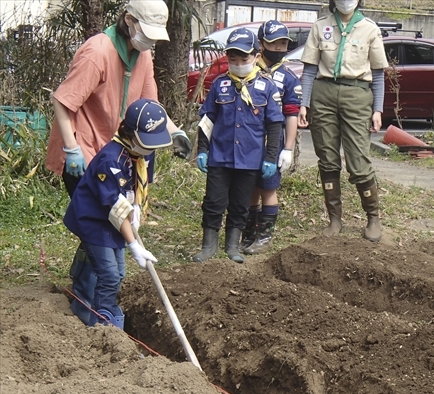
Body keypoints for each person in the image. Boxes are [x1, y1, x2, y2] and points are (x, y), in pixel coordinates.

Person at [46, 0, 191, 309]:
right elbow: (62, 101)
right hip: (83, 147)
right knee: (100, 221)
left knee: (107, 226)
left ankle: (87, 286)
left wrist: (175, 131)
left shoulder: (144, 55)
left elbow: (151, 104)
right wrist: (71, 150)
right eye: (146, 33)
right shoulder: (98, 52)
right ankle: (87, 297)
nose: (150, 42)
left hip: (117, 148)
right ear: (129, 20)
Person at [64, 98, 172, 329]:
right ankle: (102, 326)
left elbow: (137, 187)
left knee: (119, 272)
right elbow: (114, 205)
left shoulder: (143, 151)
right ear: (130, 133)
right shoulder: (110, 160)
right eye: (147, 142)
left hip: (115, 218)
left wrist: (136, 210)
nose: (151, 148)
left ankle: (91, 296)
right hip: (94, 219)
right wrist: (133, 244)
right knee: (110, 275)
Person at [298, 0, 388, 242]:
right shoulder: (320, 26)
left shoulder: (370, 28)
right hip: (323, 92)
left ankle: (373, 218)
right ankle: (335, 219)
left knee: (358, 159)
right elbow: (309, 69)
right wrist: (304, 103)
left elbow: (378, 73)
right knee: (327, 157)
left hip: (357, 94)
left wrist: (377, 109)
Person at [193, 28, 284, 264]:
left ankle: (232, 245)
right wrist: (202, 150)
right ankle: (208, 245)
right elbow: (207, 119)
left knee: (240, 203)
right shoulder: (220, 84)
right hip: (220, 156)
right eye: (232, 59)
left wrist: (271, 157)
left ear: (256, 55)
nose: (238, 64)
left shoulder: (267, 87)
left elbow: (275, 125)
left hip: (249, 158)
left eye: (244, 59)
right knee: (213, 201)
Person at [240, 20, 302, 255]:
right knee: (249, 188)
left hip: (272, 143)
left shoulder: (288, 77)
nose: (279, 47)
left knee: (267, 187)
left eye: (284, 43)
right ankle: (248, 234)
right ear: (261, 43)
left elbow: (292, 115)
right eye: (274, 42)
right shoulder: (248, 68)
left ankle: (264, 237)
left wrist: (287, 149)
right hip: (247, 140)